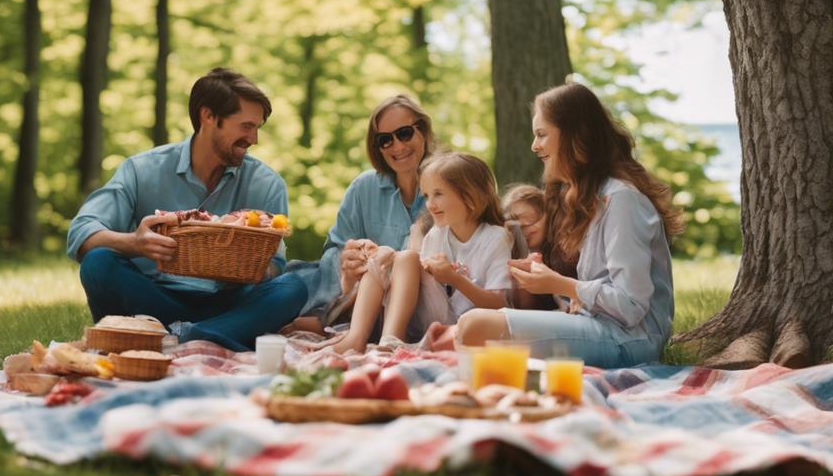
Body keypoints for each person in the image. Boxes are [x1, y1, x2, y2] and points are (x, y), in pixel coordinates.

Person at [66, 67, 308, 351]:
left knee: (294, 287)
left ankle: (184, 339)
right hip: (152, 300)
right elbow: (81, 235)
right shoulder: (142, 169)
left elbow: (276, 266)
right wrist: (136, 243)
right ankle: (209, 337)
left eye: (257, 128)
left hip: (227, 304)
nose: (254, 139)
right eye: (246, 126)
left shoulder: (267, 183)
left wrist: (244, 266)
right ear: (208, 116)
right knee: (99, 263)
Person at [457, 83, 684, 368]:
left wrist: (560, 283)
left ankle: (488, 397)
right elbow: (594, 292)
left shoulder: (622, 199)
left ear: (575, 137)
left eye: (541, 135)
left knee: (474, 326)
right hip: (601, 327)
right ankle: (497, 393)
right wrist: (552, 282)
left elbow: (631, 306)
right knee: (464, 326)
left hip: (632, 339)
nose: (534, 146)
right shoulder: (588, 197)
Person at [332, 152, 514, 354]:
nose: (429, 204)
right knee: (389, 256)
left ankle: (391, 340)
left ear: (470, 197)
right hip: (428, 319)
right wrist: (385, 259)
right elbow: (415, 281)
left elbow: (499, 305)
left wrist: (454, 278)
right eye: (426, 196)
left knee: (406, 257)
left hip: (465, 327)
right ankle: (367, 338)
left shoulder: (495, 238)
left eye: (438, 194)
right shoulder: (436, 235)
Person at [283, 95, 437, 332]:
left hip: (423, 305)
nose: (397, 146)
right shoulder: (364, 187)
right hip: (357, 294)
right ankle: (335, 316)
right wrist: (350, 259)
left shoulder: (446, 186)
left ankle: (333, 321)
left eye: (404, 133)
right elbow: (336, 250)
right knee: (288, 285)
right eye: (385, 140)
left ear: (423, 131)